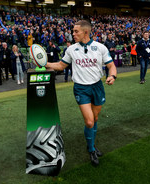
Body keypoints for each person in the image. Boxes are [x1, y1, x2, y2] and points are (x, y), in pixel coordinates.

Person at [45, 20, 117, 166]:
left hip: (97, 87)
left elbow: (111, 65)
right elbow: (61, 65)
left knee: (95, 118)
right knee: (89, 121)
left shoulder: (100, 47)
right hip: (81, 88)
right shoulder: (71, 49)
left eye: (75, 31)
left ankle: (91, 145)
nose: (73, 34)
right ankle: (91, 149)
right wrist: (44, 63)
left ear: (86, 32)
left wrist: (112, 76)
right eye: (73, 31)